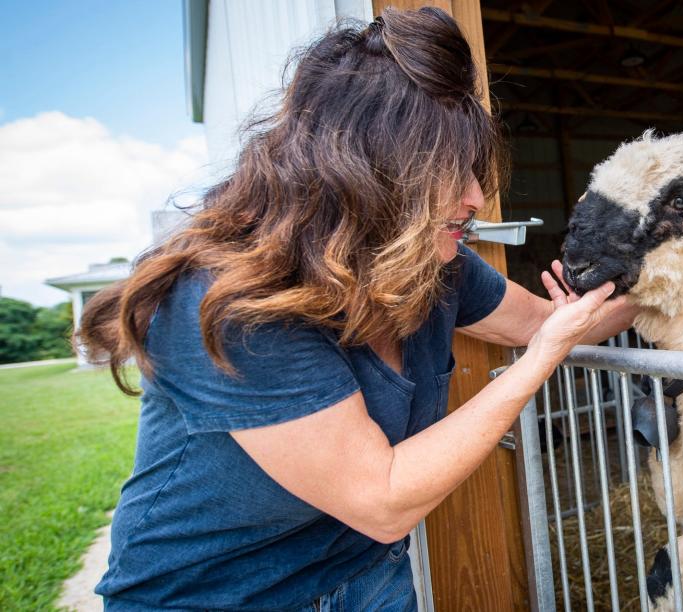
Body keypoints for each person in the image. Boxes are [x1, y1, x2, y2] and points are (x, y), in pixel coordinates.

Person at [81, 8, 638, 611]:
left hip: (366, 579)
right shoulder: (226, 302)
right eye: (452, 176)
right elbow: (383, 499)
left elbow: (544, 322)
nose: (476, 199)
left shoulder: (434, 265)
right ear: (372, 176)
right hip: (219, 596)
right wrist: (540, 362)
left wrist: (682, 284)